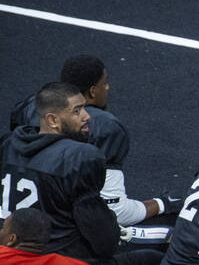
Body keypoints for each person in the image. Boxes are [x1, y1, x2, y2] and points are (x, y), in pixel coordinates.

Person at [0, 83, 160, 265]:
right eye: (77, 111)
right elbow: (103, 240)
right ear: (53, 119)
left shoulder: (8, 146)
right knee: (154, 262)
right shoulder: (78, 158)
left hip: (8, 264)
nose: (86, 116)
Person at [9, 55, 180, 225]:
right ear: (92, 91)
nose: (107, 87)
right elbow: (117, 212)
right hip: (52, 234)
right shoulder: (105, 128)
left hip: (14, 221)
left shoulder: (30, 108)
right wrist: (161, 204)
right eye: (104, 83)